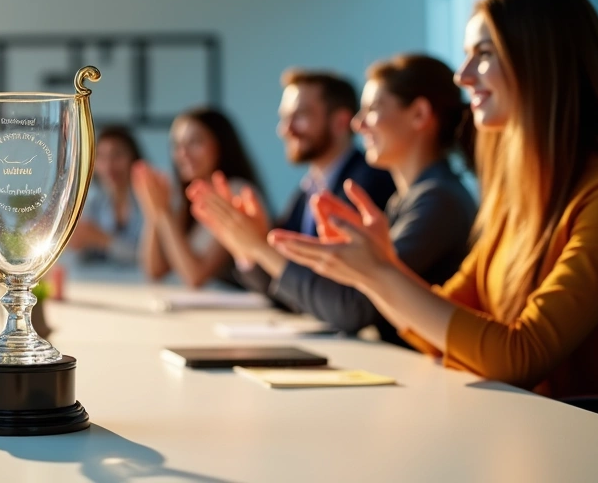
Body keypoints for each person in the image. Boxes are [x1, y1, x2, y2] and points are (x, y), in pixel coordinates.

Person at [268, 0, 598, 398]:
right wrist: (373, 272)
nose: (463, 76)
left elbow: (524, 355)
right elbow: (435, 329)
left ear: (540, 62)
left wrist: (381, 272)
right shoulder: (518, 200)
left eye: (483, 55)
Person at [190, 54, 476, 345]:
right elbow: (309, 293)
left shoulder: (436, 199)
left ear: (419, 115)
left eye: (373, 109)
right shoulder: (407, 198)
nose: (358, 124)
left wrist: (260, 247)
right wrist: (248, 247)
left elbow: (353, 307)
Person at [132, 108, 264, 288]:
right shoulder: (188, 195)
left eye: (194, 142)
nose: (183, 153)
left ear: (221, 144)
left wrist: (164, 213)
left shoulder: (236, 193)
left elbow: (195, 276)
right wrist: (153, 212)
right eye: (177, 145)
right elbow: (155, 270)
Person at [66, 125, 144, 265]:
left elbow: (152, 259)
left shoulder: (149, 201)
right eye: (101, 157)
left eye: (117, 155)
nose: (109, 165)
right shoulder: (91, 202)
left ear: (134, 158)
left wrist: (104, 240)